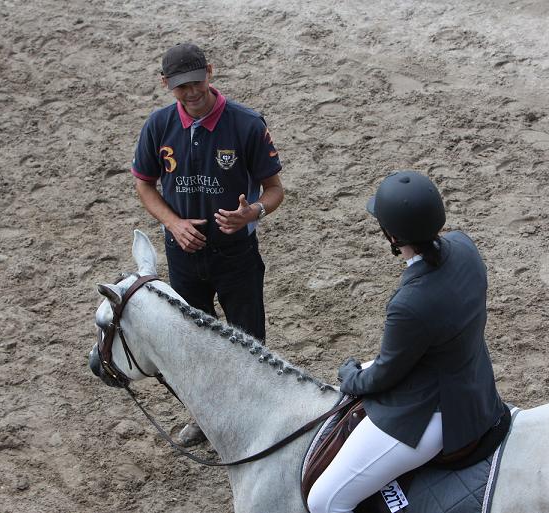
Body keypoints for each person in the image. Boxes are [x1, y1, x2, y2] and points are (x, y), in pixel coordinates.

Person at [307, 171, 505, 513]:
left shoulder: (410, 303)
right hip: (474, 383)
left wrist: (352, 377)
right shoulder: (465, 246)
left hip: (437, 414)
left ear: (393, 236)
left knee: (325, 501)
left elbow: (385, 373)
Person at [130, 43, 284, 446]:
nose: (191, 92)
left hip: (237, 256)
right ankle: (207, 417)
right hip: (183, 256)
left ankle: (258, 417)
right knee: (196, 343)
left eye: (197, 82)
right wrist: (173, 223)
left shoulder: (248, 124)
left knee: (249, 341)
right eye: (181, 87)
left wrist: (254, 213)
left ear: (211, 73)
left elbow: (274, 190)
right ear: (166, 84)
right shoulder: (158, 126)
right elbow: (144, 184)